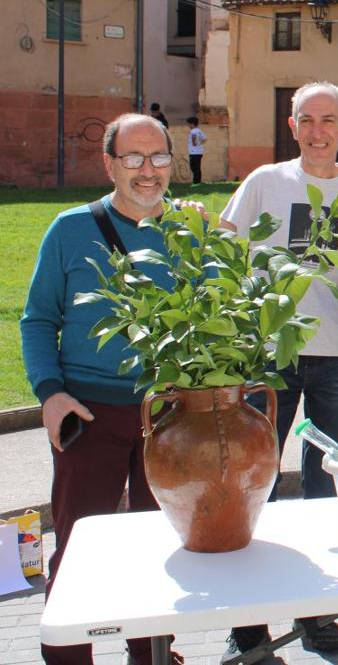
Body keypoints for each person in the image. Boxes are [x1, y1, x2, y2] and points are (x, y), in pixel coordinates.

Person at [21, 113, 184, 665]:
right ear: (109, 163)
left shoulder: (193, 231)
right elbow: (39, 319)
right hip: (88, 414)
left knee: (160, 544)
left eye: (158, 157)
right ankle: (68, 655)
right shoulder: (70, 229)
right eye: (133, 158)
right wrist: (50, 394)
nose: (147, 170)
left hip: (168, 415)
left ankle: (153, 653)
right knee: (79, 545)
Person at [219, 82, 338, 661]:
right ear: (292, 124)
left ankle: (316, 610)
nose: (318, 130)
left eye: (329, 119)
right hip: (270, 353)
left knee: (324, 482)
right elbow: (226, 250)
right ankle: (249, 626)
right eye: (307, 119)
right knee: (253, 480)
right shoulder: (264, 182)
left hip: (337, 352)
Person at [186, 116, 206, 185]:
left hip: (194, 152)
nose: (188, 125)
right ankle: (198, 181)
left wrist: (194, 143)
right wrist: (199, 143)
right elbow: (204, 139)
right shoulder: (199, 130)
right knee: (197, 167)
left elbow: (194, 138)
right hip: (199, 152)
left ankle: (196, 182)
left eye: (189, 124)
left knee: (194, 167)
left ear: (192, 124)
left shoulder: (193, 131)